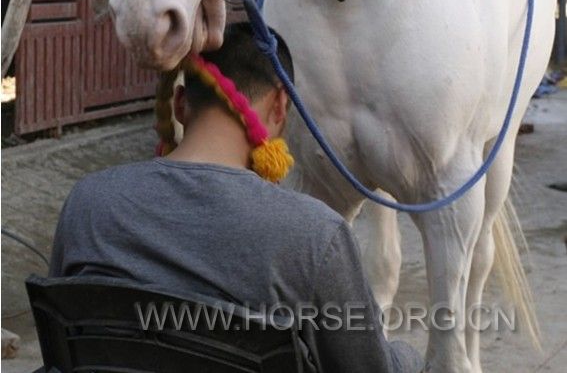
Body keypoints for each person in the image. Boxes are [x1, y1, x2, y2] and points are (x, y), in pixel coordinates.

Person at [50, 22, 423, 373]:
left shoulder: (89, 202)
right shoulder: (314, 236)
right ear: (280, 107)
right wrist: (410, 357)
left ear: (180, 102)